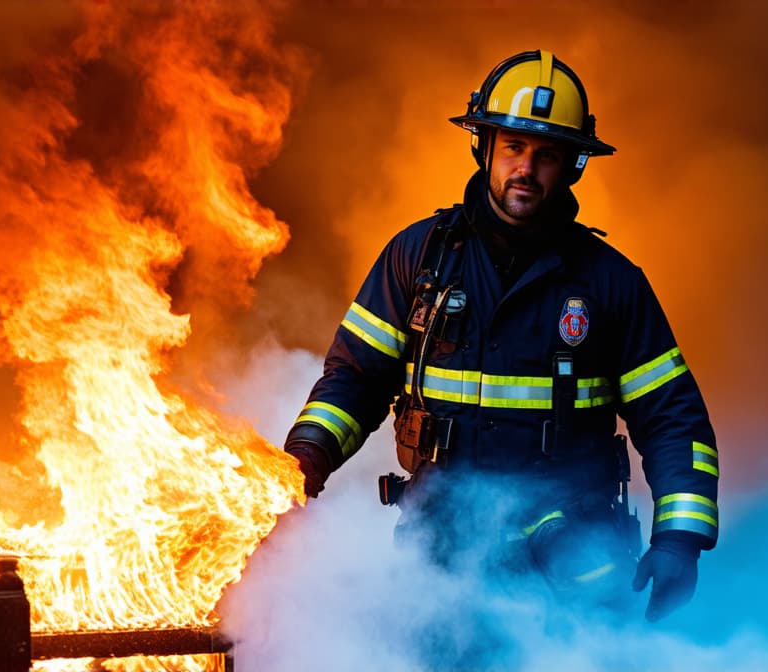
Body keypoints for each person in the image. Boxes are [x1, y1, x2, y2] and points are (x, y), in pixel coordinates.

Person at [285, 49, 719, 623]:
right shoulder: (419, 260)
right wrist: (303, 462)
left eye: (547, 155)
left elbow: (672, 418)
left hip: (575, 564)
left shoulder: (611, 284)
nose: (526, 168)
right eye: (513, 146)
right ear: (483, 147)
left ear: (572, 166)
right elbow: (355, 380)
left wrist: (679, 541)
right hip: (441, 559)